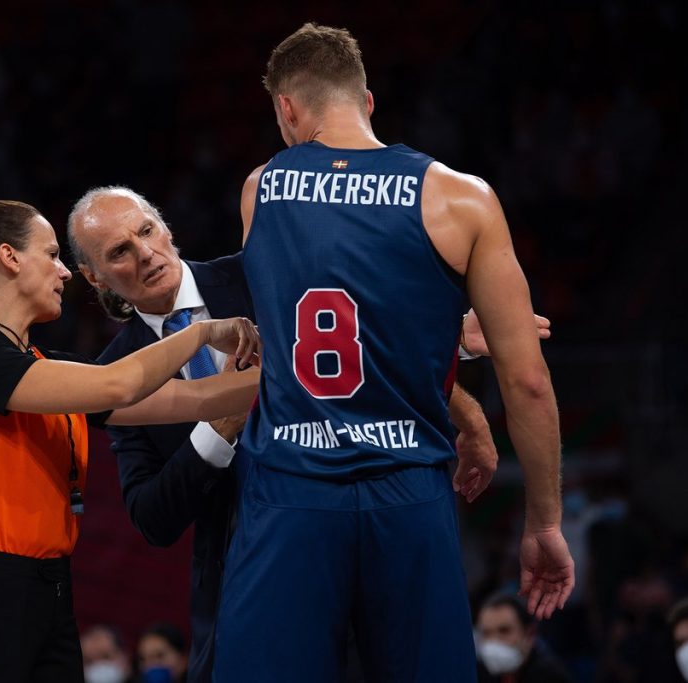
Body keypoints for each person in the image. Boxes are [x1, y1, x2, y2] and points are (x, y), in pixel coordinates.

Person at [212, 23, 574, 682]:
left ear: (286, 108)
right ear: (368, 100)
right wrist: (544, 522)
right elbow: (527, 381)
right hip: (408, 491)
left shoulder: (259, 189)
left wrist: (434, 331)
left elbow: (309, 324)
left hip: (291, 488)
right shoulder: (462, 197)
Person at [66, 186, 527, 682]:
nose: (145, 253)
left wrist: (453, 350)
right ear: (94, 276)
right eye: (120, 251)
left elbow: (363, 338)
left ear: (166, 228)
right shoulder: (116, 376)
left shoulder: (257, 270)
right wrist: (220, 427)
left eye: (146, 230)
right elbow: (153, 517)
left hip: (346, 541)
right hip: (240, 583)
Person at [0, 200, 260, 681]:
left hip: (49, 590)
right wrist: (199, 333)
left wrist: (294, 371)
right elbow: (119, 385)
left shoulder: (46, 367)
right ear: (9, 258)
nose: (64, 272)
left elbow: (193, 399)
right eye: (52, 255)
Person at [475, 593, 574, 682]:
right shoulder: (482, 674)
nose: (494, 640)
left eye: (504, 631)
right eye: (486, 633)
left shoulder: (550, 677)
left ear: (530, 634)